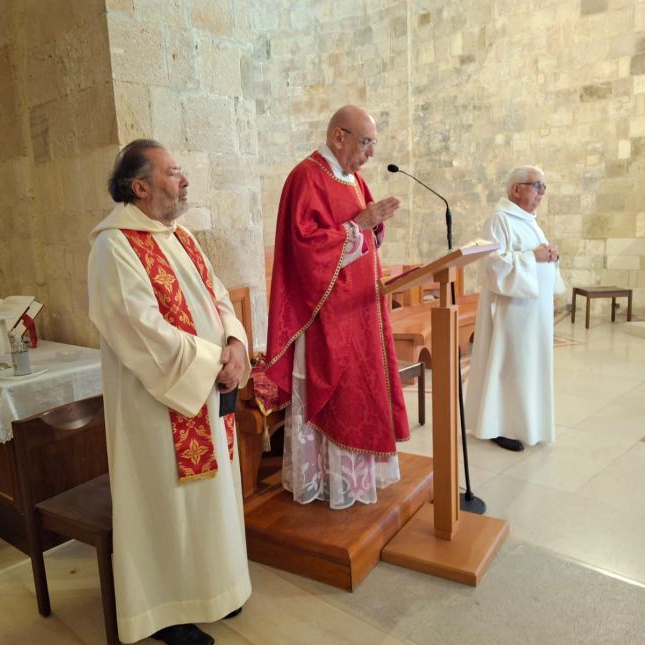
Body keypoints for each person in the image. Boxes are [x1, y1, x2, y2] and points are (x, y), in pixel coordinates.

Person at [88, 139, 251, 645]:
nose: (185, 181)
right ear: (140, 186)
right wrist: (212, 365)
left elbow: (217, 294)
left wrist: (235, 343)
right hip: (158, 404)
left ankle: (213, 589)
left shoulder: (178, 235)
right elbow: (137, 328)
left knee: (210, 501)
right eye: (173, 172)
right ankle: (168, 610)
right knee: (168, 505)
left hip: (204, 392)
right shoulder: (113, 246)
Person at [264, 105, 411, 510]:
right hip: (325, 312)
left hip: (360, 308)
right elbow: (305, 249)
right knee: (337, 393)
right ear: (338, 136)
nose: (370, 153)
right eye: (365, 142)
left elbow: (366, 235)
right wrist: (360, 226)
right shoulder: (306, 176)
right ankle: (327, 480)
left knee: (362, 391)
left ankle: (355, 478)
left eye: (373, 144)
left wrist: (373, 227)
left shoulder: (353, 179)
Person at [464, 165, 564, 452]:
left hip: (534, 312)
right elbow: (493, 264)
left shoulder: (529, 221)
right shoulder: (500, 220)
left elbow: (534, 259)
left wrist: (549, 264)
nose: (542, 193)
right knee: (511, 367)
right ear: (515, 189)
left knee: (529, 367)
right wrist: (534, 256)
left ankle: (527, 422)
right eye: (536, 185)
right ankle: (501, 425)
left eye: (544, 186)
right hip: (511, 312)